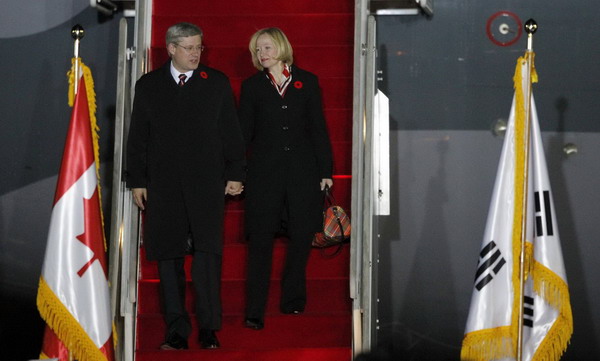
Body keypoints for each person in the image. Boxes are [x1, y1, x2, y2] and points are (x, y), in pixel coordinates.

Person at [126, 22, 245, 350]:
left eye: (199, 47)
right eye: (189, 47)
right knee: (168, 259)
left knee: (208, 257)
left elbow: (231, 133)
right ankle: (176, 330)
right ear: (172, 49)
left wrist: (236, 172)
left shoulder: (216, 82)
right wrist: (136, 180)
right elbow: (138, 137)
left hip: (207, 185)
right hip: (163, 187)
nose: (196, 53)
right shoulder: (149, 85)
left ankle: (209, 328)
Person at [237, 27, 334, 330]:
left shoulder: (308, 82)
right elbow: (243, 134)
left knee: (301, 240)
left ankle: (293, 301)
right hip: (264, 177)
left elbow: (318, 129)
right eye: (257, 50)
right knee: (260, 244)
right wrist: (236, 173)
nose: (261, 54)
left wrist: (325, 171)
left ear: (280, 48)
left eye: (265, 48)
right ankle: (255, 310)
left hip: (303, 175)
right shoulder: (252, 87)